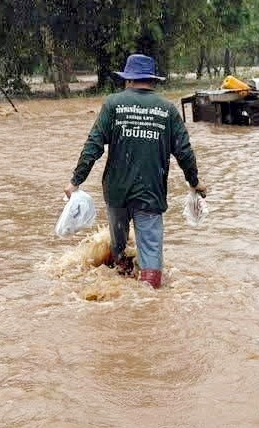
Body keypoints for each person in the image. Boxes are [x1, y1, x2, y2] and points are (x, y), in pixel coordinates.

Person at [65, 54, 206, 289]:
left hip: (116, 192)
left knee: (119, 247)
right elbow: (184, 152)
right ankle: (149, 300)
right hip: (150, 193)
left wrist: (75, 182)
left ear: (128, 80)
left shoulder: (113, 104)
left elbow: (94, 145)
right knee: (150, 251)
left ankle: (121, 285)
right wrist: (194, 182)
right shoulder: (167, 110)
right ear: (152, 80)